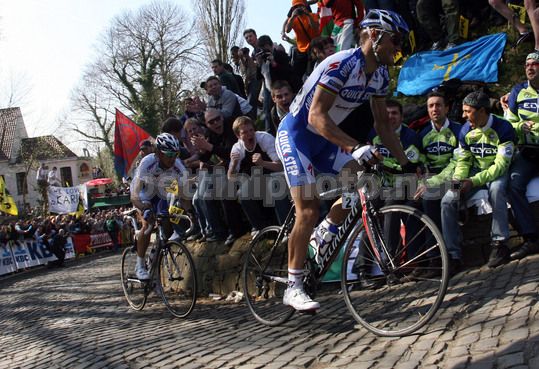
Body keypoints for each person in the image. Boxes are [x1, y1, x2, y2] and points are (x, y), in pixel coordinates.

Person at [275, 9, 413, 311]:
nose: (399, 47)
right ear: (375, 35)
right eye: (396, 40)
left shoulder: (379, 74)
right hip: (297, 134)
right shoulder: (341, 64)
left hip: (324, 140)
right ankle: (293, 286)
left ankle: (325, 231)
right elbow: (316, 116)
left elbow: (383, 126)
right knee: (308, 210)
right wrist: (355, 147)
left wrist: (407, 165)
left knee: (364, 180)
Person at [441, 91, 515, 271]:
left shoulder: (504, 129)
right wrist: (458, 180)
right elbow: (464, 160)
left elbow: (500, 166)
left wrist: (472, 182)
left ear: (482, 111)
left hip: (496, 172)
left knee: (496, 190)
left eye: (468, 111)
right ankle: (453, 255)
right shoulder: (465, 130)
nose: (463, 115)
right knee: (447, 199)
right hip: (473, 174)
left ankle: (500, 244)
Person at [130, 133, 189, 280]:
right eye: (169, 154)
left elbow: (184, 196)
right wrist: (143, 208)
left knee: (167, 219)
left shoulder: (178, 166)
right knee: (148, 223)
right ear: (158, 153)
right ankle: (140, 265)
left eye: (176, 154)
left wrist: (190, 212)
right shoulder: (147, 162)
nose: (172, 158)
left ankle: (156, 252)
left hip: (161, 191)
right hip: (143, 192)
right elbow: (135, 195)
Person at [504, 52, 539, 260]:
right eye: (527, 64)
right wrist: (519, 126)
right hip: (528, 152)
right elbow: (509, 123)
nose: (530, 68)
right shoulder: (517, 91)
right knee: (512, 185)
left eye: (535, 64)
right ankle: (531, 238)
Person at [228, 116, 290, 233]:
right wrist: (234, 164)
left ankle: (285, 227)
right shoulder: (237, 148)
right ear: (238, 136)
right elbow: (230, 177)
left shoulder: (265, 138)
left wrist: (263, 163)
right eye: (244, 132)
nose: (249, 134)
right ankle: (261, 229)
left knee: (275, 186)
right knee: (242, 193)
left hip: (276, 174)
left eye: (251, 130)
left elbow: (281, 166)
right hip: (257, 179)